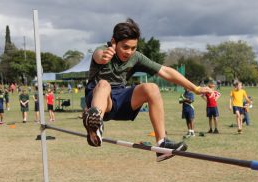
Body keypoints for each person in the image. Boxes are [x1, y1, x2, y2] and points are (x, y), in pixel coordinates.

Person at [83, 18, 213, 162]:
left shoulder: (136, 57)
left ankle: (162, 144)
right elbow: (98, 56)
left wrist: (195, 88)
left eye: (133, 48)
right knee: (104, 84)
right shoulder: (102, 50)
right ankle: (94, 125)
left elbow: (166, 71)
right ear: (113, 42)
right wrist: (103, 57)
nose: (129, 52)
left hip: (119, 99)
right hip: (99, 98)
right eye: (125, 47)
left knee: (152, 88)